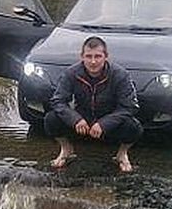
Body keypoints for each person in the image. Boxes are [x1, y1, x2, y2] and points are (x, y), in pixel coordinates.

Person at [44, 36, 143, 172]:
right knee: (51, 119)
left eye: (98, 56)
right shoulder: (71, 73)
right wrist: (75, 119)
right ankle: (66, 149)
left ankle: (122, 153)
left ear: (106, 56)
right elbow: (57, 101)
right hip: (82, 121)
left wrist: (105, 123)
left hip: (109, 121)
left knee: (134, 127)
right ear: (82, 57)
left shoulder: (120, 74)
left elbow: (130, 106)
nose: (93, 61)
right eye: (88, 56)